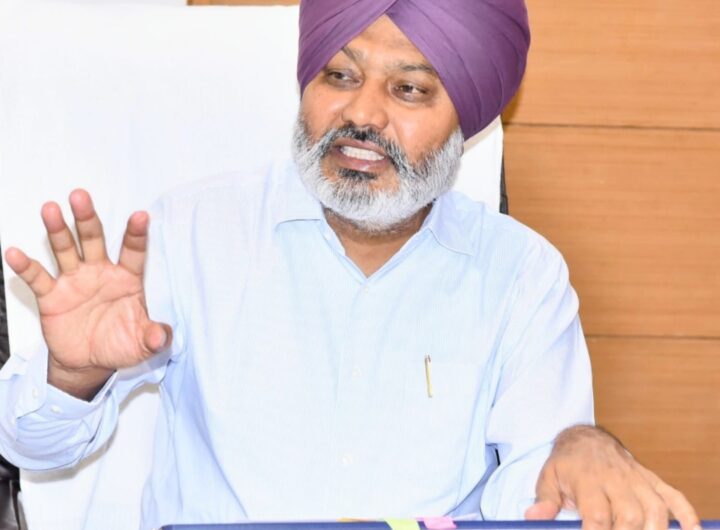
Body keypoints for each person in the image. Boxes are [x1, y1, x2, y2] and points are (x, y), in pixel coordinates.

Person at [0, 1, 700, 530]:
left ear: (467, 120)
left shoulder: (521, 274)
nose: (361, 115)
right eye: (339, 75)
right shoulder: (192, 232)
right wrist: (74, 375)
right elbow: (31, 446)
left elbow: (533, 499)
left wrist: (576, 450)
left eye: (410, 89)